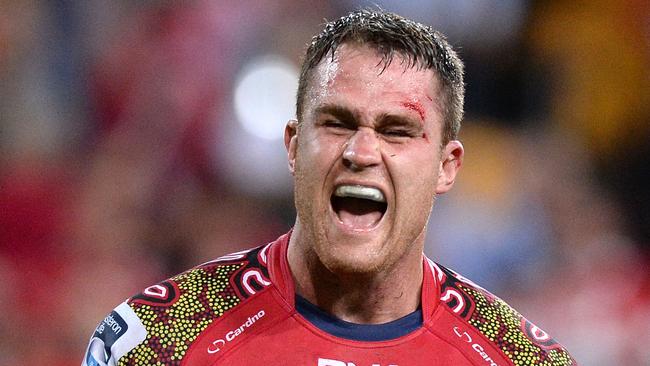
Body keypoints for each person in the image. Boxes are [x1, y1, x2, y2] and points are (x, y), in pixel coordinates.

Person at [82, 9, 576, 365]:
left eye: (397, 130)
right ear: (294, 147)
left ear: (447, 167)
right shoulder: (160, 341)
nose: (361, 153)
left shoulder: (520, 359)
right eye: (337, 123)